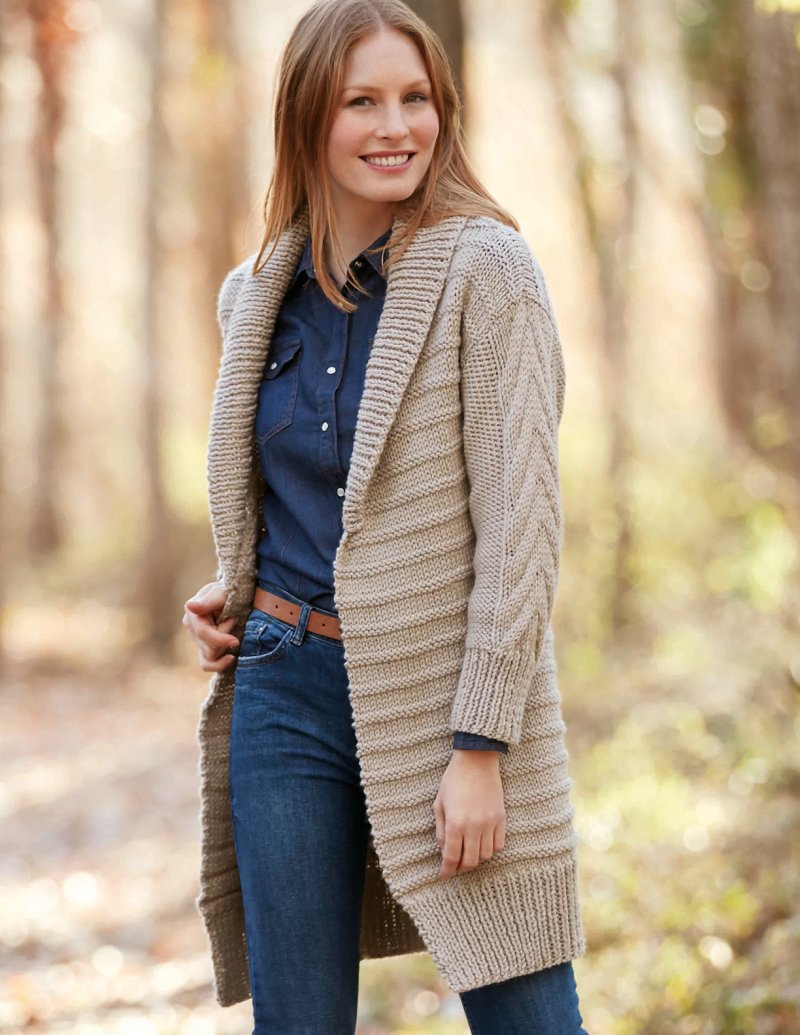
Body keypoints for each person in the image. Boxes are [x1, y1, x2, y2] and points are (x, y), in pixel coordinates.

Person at [182, 1, 589, 1032]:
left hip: (447, 696)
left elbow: (522, 527)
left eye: (415, 98)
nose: (395, 126)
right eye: (360, 101)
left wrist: (481, 744)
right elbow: (302, 495)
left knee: (529, 1014)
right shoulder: (251, 294)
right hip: (281, 687)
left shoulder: (487, 270)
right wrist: (238, 584)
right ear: (307, 118)